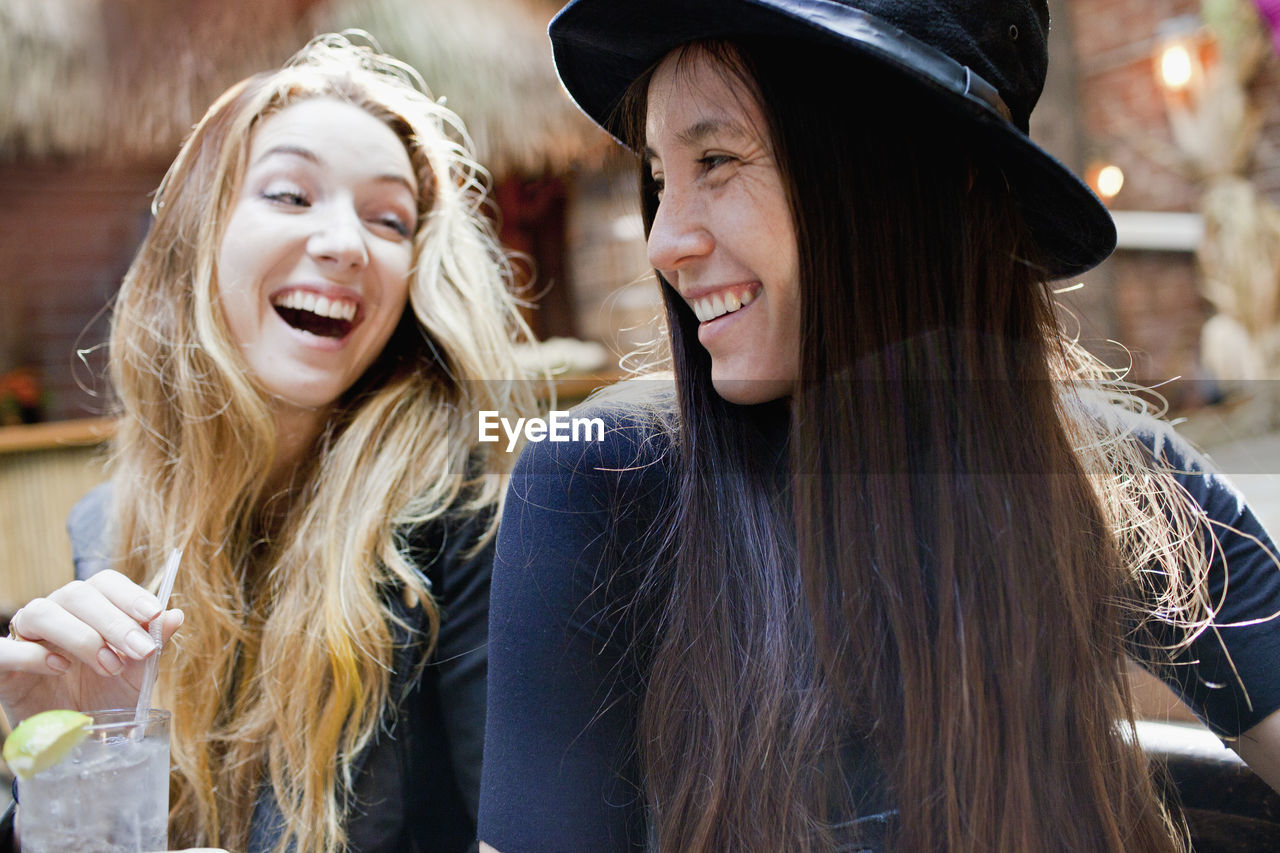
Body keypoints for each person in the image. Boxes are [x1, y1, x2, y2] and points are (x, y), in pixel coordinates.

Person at [479, 2, 1280, 851]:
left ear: (929, 172)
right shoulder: (604, 486)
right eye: (659, 178)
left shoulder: (1116, 479)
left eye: (716, 160)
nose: (665, 241)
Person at [0, 33, 537, 853]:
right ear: (196, 240)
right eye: (290, 195)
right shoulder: (108, 529)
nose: (347, 243)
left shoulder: (470, 519)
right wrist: (58, 774)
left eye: (389, 219)